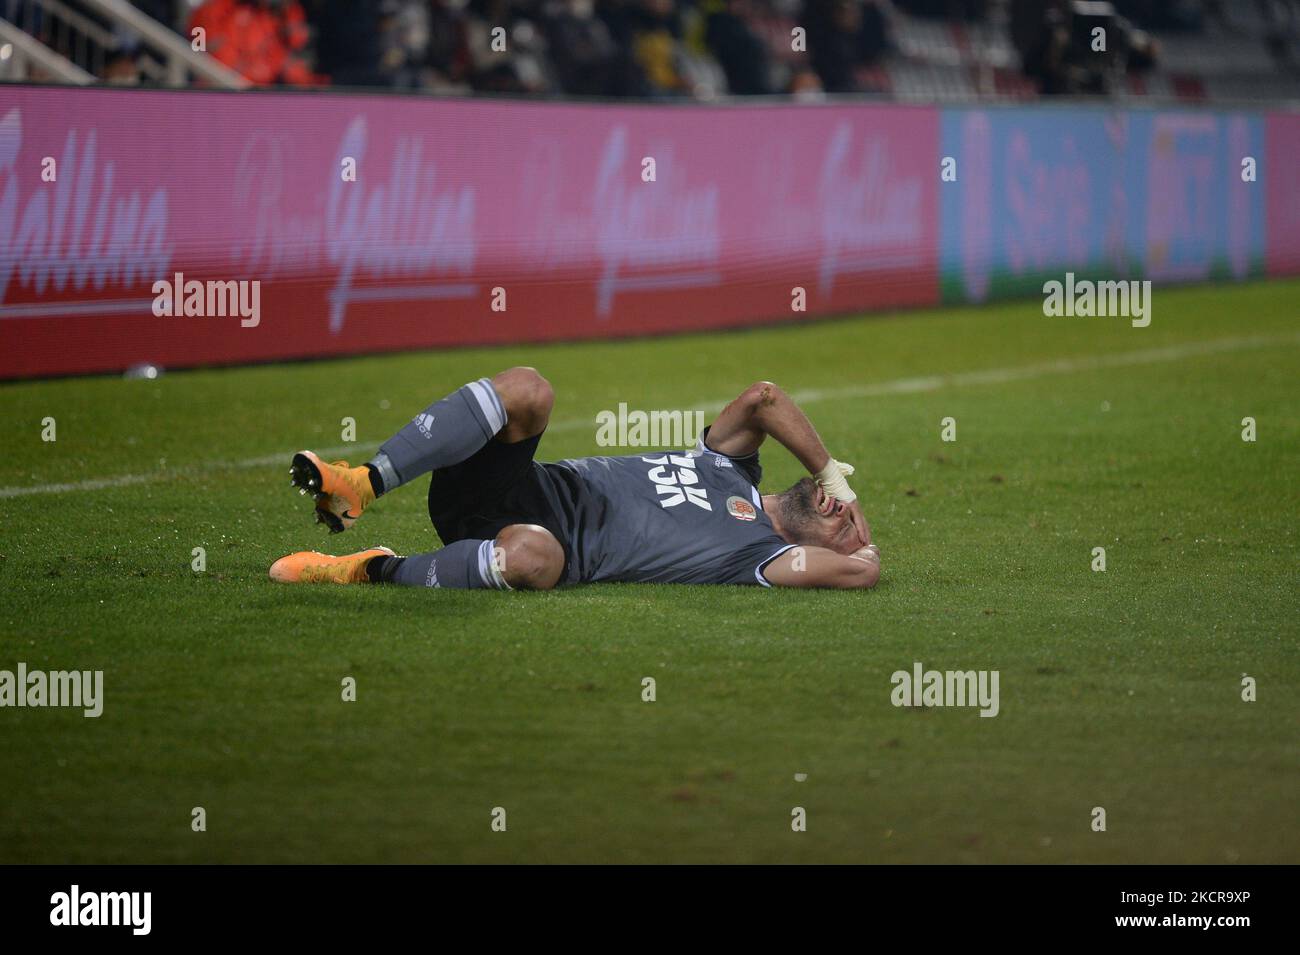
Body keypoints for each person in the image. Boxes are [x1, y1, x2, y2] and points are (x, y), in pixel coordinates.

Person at [269, 367, 880, 590]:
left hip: (533, 540)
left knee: (533, 558)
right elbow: (764, 398)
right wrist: (833, 477)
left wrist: (865, 553)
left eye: (847, 527)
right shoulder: (730, 464)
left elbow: (858, 570)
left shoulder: (757, 556)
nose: (843, 514)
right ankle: (363, 482)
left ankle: (366, 567)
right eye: (846, 508)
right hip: (508, 485)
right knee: (530, 389)